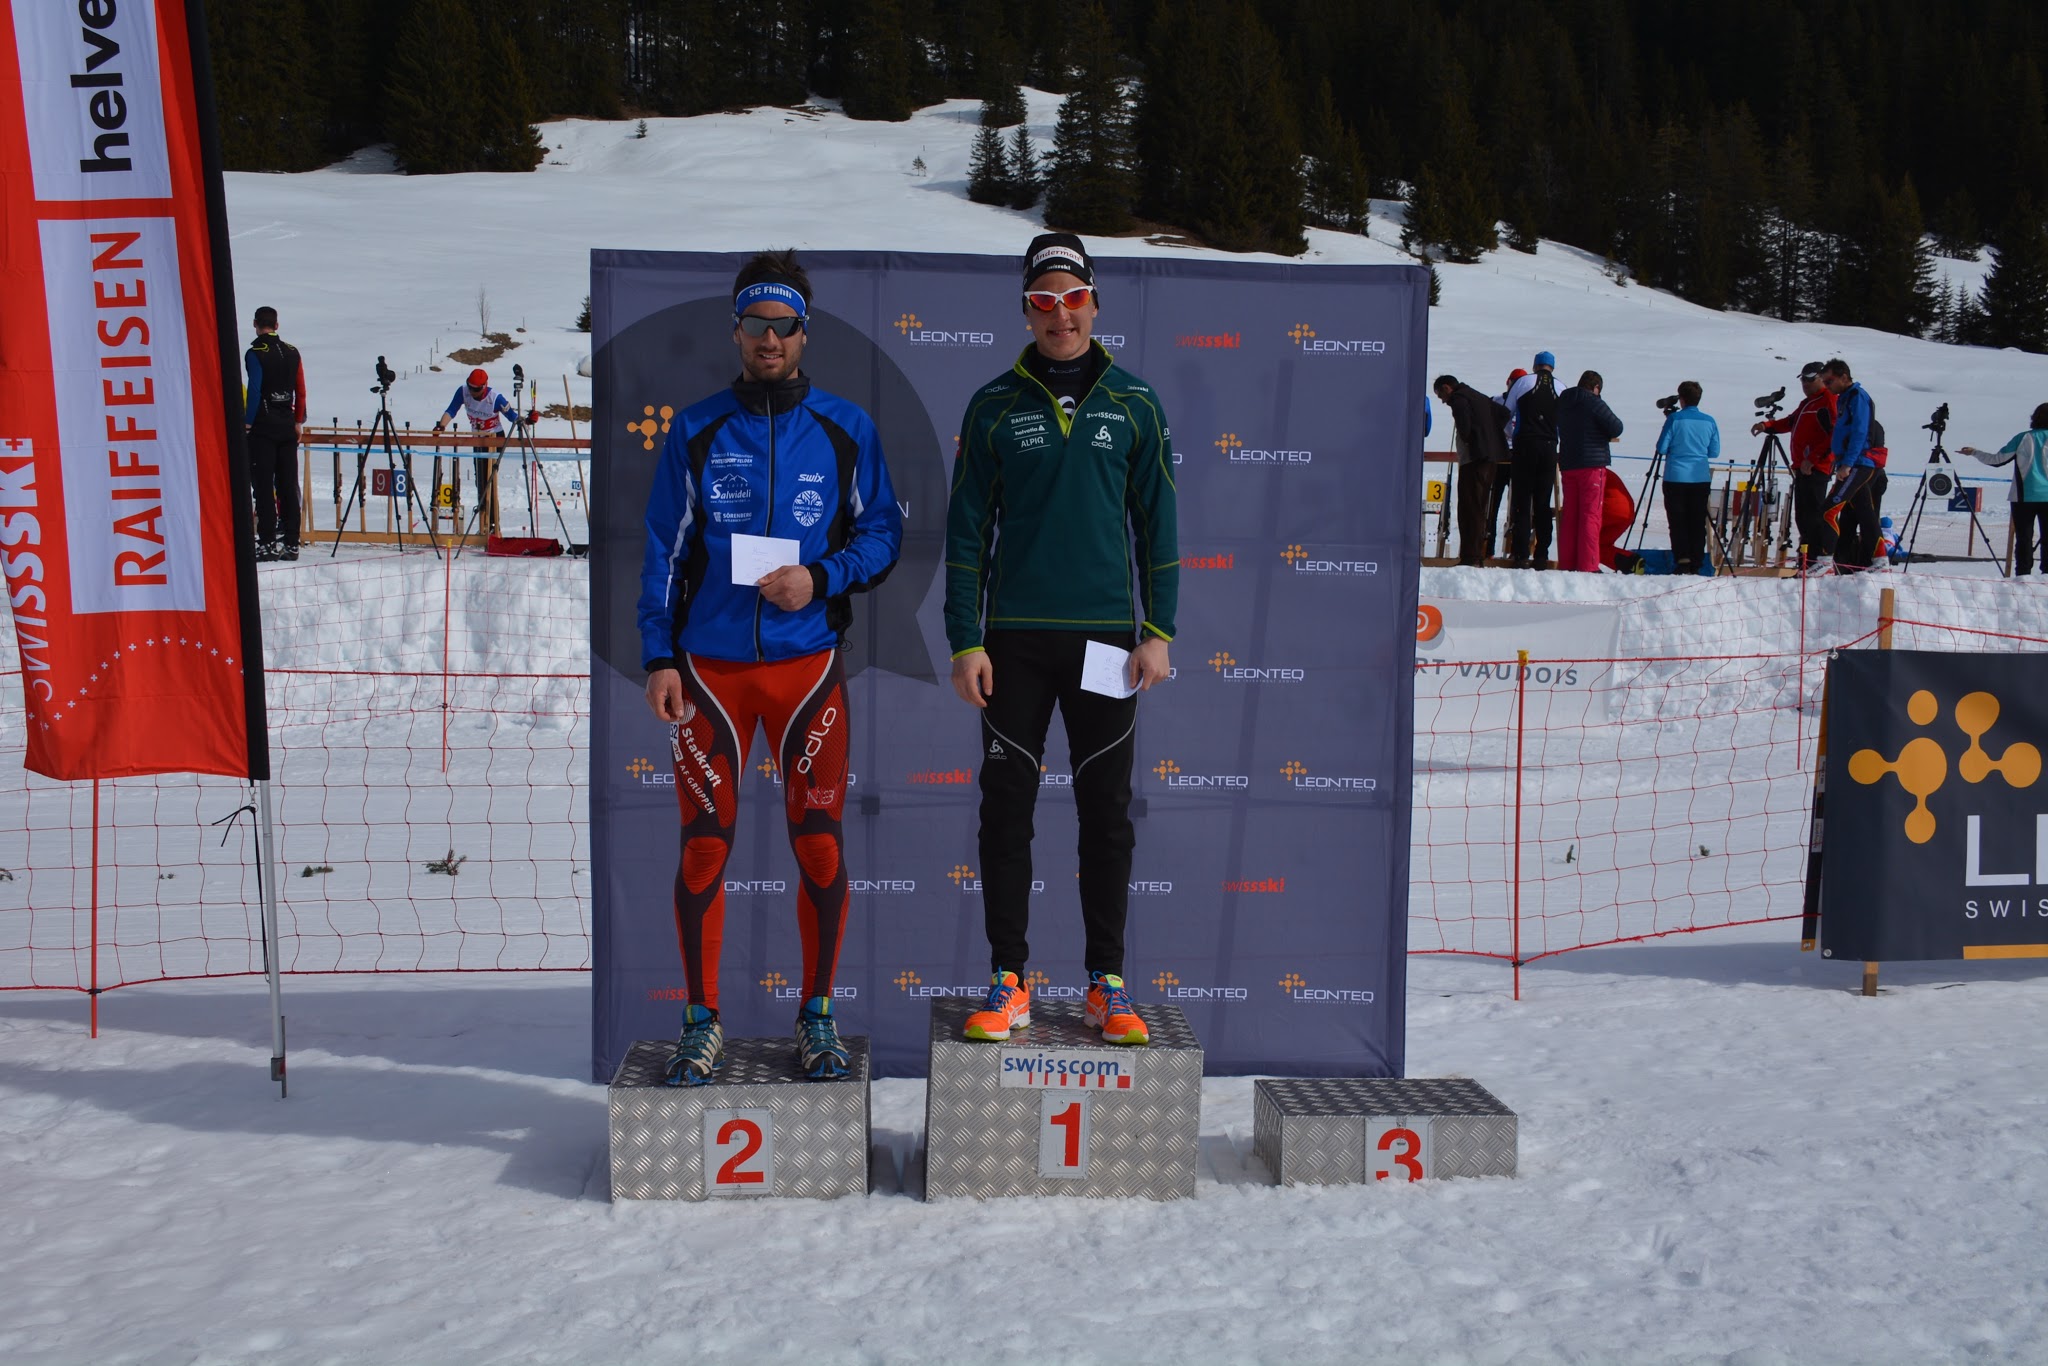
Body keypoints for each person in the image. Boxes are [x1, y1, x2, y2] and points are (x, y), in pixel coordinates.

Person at [637, 250, 903, 1085]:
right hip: (708, 676)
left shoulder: (846, 428)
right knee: (703, 850)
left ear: (804, 333)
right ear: (737, 331)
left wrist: (820, 578)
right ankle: (700, 1021)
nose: (770, 339)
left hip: (806, 672)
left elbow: (883, 534)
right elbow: (662, 550)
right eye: (756, 323)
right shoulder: (697, 428)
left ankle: (817, 1015)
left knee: (818, 845)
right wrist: (658, 656)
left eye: (784, 325)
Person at [945, 231, 1178, 1047]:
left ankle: (1106, 983)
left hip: (1108, 643)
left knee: (1105, 813)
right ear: (1026, 311)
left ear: (1094, 304)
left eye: (1073, 298)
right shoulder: (993, 405)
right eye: (1044, 301)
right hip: (1013, 643)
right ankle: (1008, 980)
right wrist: (964, 640)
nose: (1060, 315)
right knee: (1006, 811)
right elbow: (966, 532)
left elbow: (1158, 526)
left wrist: (1158, 631)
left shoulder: (1135, 402)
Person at [1752, 361, 1837, 565]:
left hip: (1816, 467)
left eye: (1810, 379)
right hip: (1802, 467)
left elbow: (1835, 435)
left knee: (1813, 516)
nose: (1805, 384)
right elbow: (1790, 422)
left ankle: (1816, 559)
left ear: (1822, 378)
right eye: (1803, 380)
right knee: (1803, 517)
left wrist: (1813, 459)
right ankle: (1806, 559)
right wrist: (1767, 425)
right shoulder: (1807, 403)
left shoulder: (1828, 399)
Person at [243, 305, 306, 562]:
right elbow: (301, 390)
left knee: (263, 486)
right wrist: (298, 420)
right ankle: (291, 542)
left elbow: (255, 389)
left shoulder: (255, 353)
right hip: (287, 426)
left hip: (264, 427)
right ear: (277, 325)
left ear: (255, 324)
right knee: (288, 486)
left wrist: (248, 422)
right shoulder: (292, 351)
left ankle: (267, 542)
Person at [1962, 403, 2048, 575]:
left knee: (2024, 538)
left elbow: (1996, 460)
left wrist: (1974, 452)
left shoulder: (2022, 438)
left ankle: (2023, 575)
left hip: (2023, 498)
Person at [1434, 373, 1510, 566]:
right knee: (1480, 507)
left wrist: (1475, 439)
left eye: (1441, 395)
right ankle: (1476, 555)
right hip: (1490, 459)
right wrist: (1490, 435)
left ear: (1447, 388)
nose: (1443, 401)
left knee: (1469, 508)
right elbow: (1504, 413)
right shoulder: (1479, 397)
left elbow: (1465, 429)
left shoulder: (1459, 399)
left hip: (1474, 461)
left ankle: (1470, 557)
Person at [433, 367, 520, 534]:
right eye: (470, 388)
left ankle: (492, 524)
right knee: (480, 481)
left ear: (484, 387)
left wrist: (526, 421)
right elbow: (452, 409)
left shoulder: (495, 398)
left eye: (476, 389)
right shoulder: (463, 392)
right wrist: (441, 425)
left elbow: (512, 416)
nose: (472, 392)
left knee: (488, 481)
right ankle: (485, 522)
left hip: (494, 439)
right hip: (478, 439)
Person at [1819, 359, 1888, 570]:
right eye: (1824, 382)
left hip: (1858, 462)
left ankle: (1824, 560)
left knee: (1829, 510)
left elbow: (1859, 431)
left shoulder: (1857, 396)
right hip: (1851, 461)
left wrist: (1847, 463)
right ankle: (1880, 560)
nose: (1827, 386)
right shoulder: (1844, 398)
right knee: (1865, 513)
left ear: (1844, 377)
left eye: (1829, 381)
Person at [1555, 370, 1623, 572]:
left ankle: (1567, 563)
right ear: (1596, 388)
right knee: (1590, 515)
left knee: (1570, 516)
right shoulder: (1593, 402)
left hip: (1568, 463)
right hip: (1591, 465)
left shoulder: (1564, 401)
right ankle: (1589, 565)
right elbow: (1616, 427)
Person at [1654, 381, 1721, 575]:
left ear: (1681, 399)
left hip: (1675, 477)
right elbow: (1714, 451)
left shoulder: (1675, 419)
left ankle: (1682, 559)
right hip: (1700, 477)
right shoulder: (1709, 421)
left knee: (1678, 520)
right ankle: (1697, 560)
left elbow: (1661, 448)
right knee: (1697, 520)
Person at [1503, 350, 1561, 568]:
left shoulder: (1523, 382)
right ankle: (1541, 554)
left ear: (1535, 366)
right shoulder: (1561, 387)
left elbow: (1506, 413)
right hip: (1549, 447)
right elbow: (1563, 423)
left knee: (1522, 501)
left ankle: (1520, 554)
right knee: (1543, 502)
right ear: (1552, 367)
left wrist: (1511, 435)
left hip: (1525, 445)